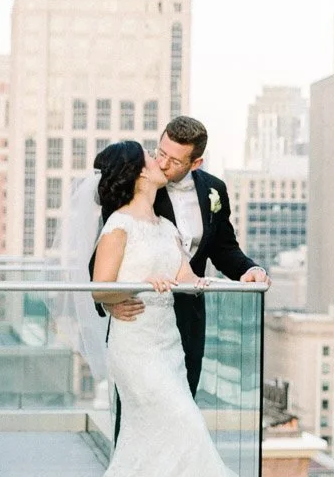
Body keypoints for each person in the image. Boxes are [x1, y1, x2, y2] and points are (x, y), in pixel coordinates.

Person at [56, 141, 251, 477]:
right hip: (136, 347)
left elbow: (186, 277)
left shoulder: (166, 228)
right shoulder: (118, 227)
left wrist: (234, 279)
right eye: (151, 157)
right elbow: (98, 289)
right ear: (139, 173)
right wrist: (139, 288)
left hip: (169, 347)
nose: (159, 161)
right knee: (187, 424)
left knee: (149, 441)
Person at [97, 115, 267, 398]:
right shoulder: (135, 185)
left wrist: (249, 270)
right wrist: (109, 301)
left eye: (174, 161)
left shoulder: (214, 190)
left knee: (183, 407)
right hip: (138, 316)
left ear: (196, 163)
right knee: (137, 411)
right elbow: (103, 253)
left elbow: (224, 248)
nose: (162, 164)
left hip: (188, 319)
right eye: (160, 153)